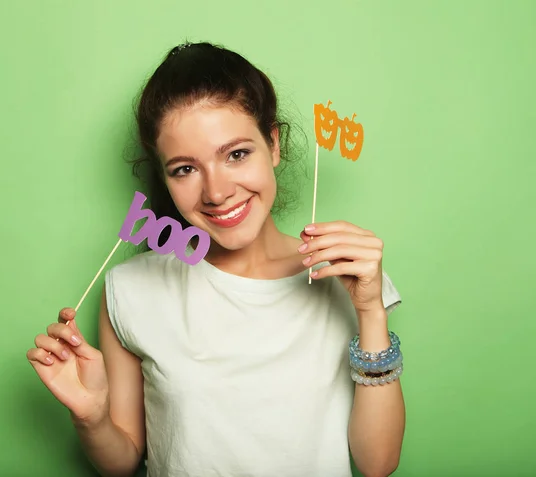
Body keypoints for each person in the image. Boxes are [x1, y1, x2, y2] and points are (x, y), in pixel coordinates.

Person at [27, 41, 406, 477]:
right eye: (185, 168)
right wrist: (91, 417)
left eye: (236, 154)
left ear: (274, 144)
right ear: (164, 176)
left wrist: (370, 311)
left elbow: (378, 464)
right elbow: (124, 461)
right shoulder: (130, 288)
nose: (216, 191)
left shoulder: (347, 274)